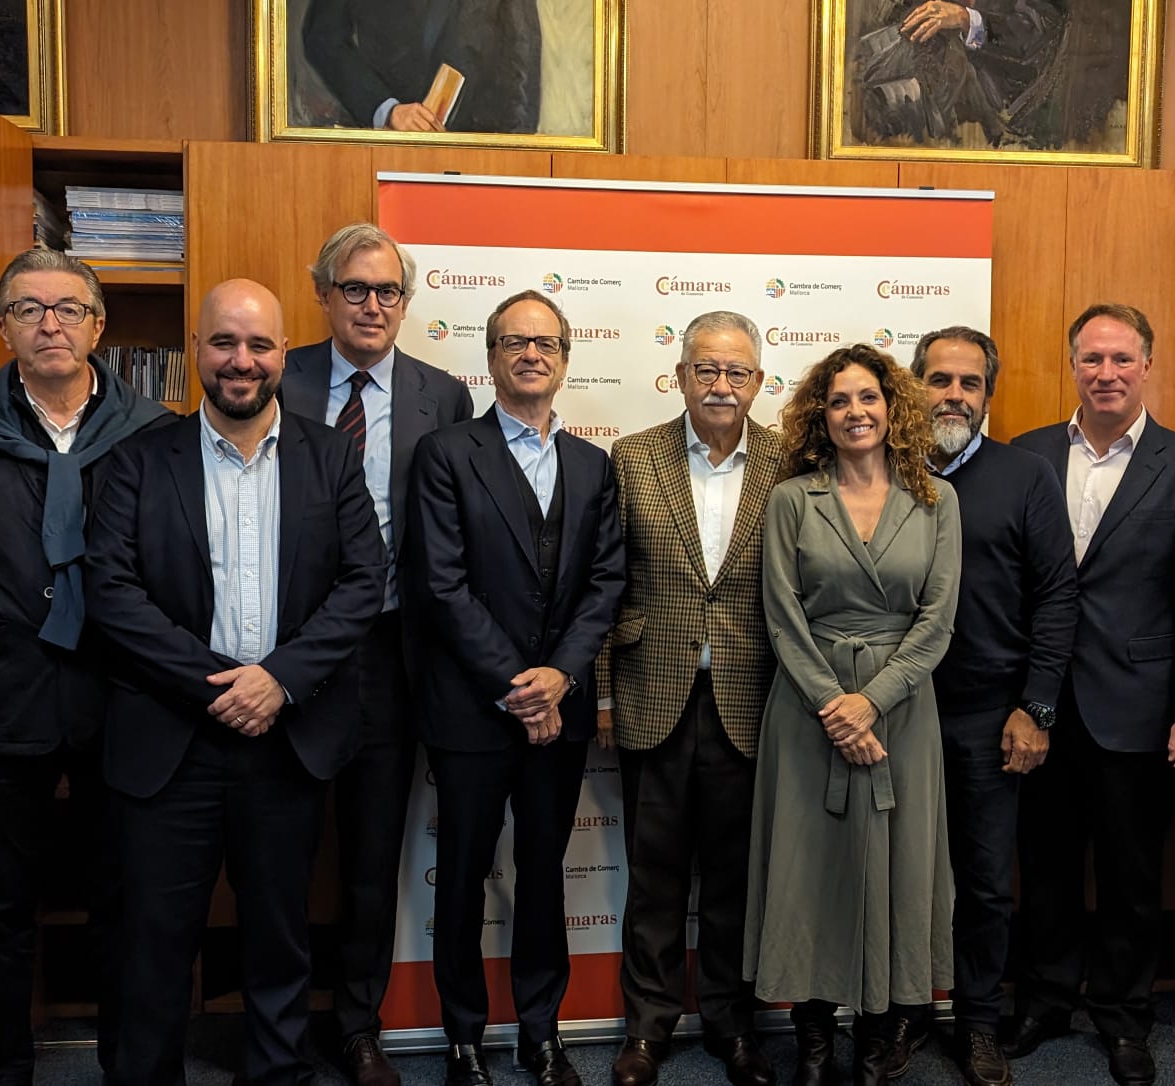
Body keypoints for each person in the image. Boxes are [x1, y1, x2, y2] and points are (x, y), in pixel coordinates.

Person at [84, 279, 388, 1086]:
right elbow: (112, 593)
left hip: (285, 741)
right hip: (169, 740)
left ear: (284, 353)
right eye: (224, 343)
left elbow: (364, 582)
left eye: (259, 345)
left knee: (279, 934)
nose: (241, 361)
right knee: (155, 940)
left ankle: (276, 1075)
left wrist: (278, 681)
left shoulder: (331, 457)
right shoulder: (138, 460)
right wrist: (221, 685)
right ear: (196, 353)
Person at [0, 249, 169, 1085]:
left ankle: (126, 1068)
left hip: (123, 695)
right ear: (3, 327)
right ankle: (4, 1071)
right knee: (1, 910)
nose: (50, 324)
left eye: (68, 308)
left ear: (98, 325)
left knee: (122, 903)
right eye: (29, 309)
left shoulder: (154, 434)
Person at [1005, 303, 1175, 1086]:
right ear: (1073, 364)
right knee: (1044, 864)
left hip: (1142, 706)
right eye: (1092, 359)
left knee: (1134, 876)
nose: (1106, 373)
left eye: (1122, 360)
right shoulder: (1027, 454)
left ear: (1147, 365)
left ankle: (1125, 1016)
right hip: (1038, 704)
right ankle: (1043, 999)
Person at [404, 290, 625, 1086]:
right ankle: (463, 1037)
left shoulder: (592, 465)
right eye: (513, 342)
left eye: (545, 343)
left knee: (542, 877)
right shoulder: (446, 453)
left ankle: (542, 1031)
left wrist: (560, 678)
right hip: (471, 711)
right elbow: (440, 584)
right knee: (461, 875)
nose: (530, 354)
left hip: (557, 715)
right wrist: (515, 685)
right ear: (491, 356)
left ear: (565, 358)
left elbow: (605, 584)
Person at [282, 222, 474, 1086]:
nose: (371, 305)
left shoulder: (444, 397)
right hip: (282, 655)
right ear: (323, 293)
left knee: (368, 857)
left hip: (391, 657)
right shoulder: (272, 378)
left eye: (387, 290)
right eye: (354, 288)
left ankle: (357, 1026)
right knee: (276, 852)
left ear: (406, 302)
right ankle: (276, 1028)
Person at [746, 343, 960, 1086]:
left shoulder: (936, 499)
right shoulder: (790, 499)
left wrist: (872, 701)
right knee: (811, 872)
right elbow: (780, 616)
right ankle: (811, 1041)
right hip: (809, 713)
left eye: (867, 397)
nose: (855, 412)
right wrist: (835, 707)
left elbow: (937, 624)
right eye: (839, 401)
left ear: (893, 407)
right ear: (820, 416)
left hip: (901, 714)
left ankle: (878, 1039)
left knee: (896, 870)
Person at [599, 311, 786, 1086]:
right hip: (653, 692)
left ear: (758, 383)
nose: (720, 384)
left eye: (736, 372)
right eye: (705, 369)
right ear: (678, 376)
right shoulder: (631, 457)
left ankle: (731, 1026)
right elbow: (606, 584)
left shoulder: (790, 460)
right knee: (654, 878)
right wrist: (604, 694)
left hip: (754, 697)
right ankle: (646, 1030)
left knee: (737, 880)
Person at [894, 326, 1077, 1086]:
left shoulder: (1026, 476)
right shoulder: (881, 470)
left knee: (984, 881)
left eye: (971, 384)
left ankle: (976, 1024)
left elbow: (1057, 597)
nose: (955, 395)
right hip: (897, 709)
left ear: (989, 395)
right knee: (900, 874)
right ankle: (899, 1016)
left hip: (986, 713)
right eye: (940, 380)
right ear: (915, 388)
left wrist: (1035, 707)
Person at [300, 0, 542, 133]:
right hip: (381, 148)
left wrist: (510, 155)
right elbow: (324, 36)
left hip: (475, 155)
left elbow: (522, 56)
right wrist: (387, 110)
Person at [878, 0, 1074, 145]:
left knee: (884, 105)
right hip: (930, 66)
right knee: (867, 72)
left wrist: (966, 19)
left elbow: (1029, 35)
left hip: (990, 90)